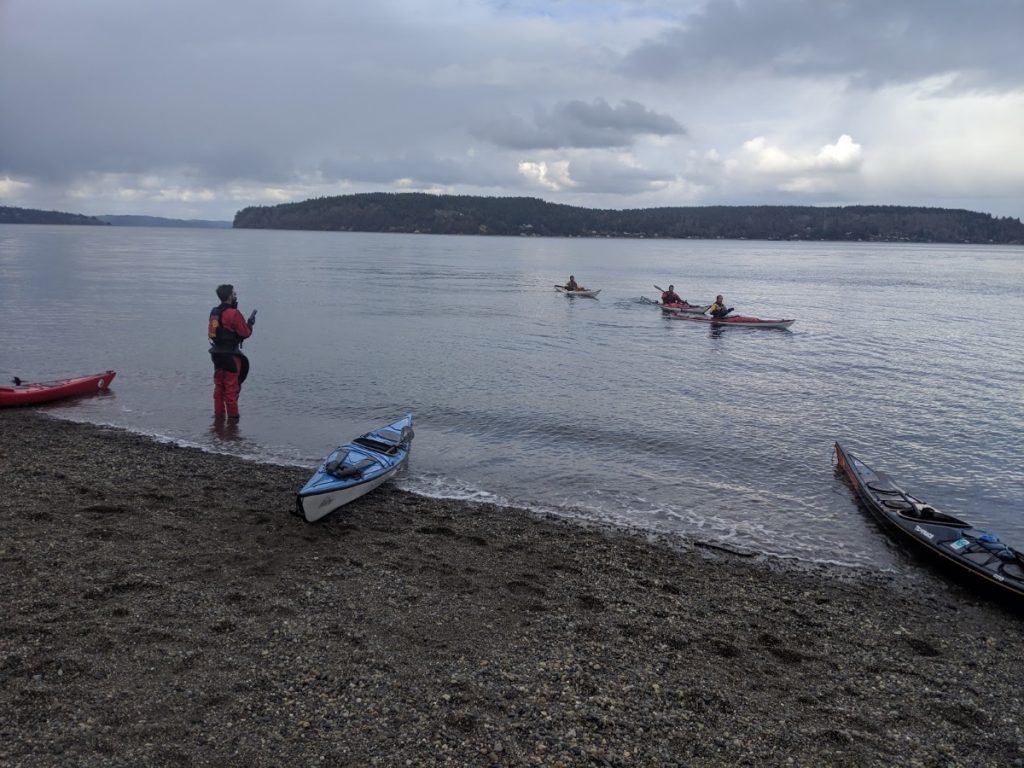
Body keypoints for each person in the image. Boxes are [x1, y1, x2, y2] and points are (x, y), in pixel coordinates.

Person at [208, 284, 256, 420]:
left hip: (216, 355)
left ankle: (218, 419)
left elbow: (213, 333)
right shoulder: (234, 313)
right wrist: (250, 324)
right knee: (231, 388)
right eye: (234, 294)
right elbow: (245, 333)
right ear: (229, 296)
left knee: (219, 388)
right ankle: (233, 424)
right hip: (231, 356)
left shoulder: (214, 313)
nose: (236, 296)